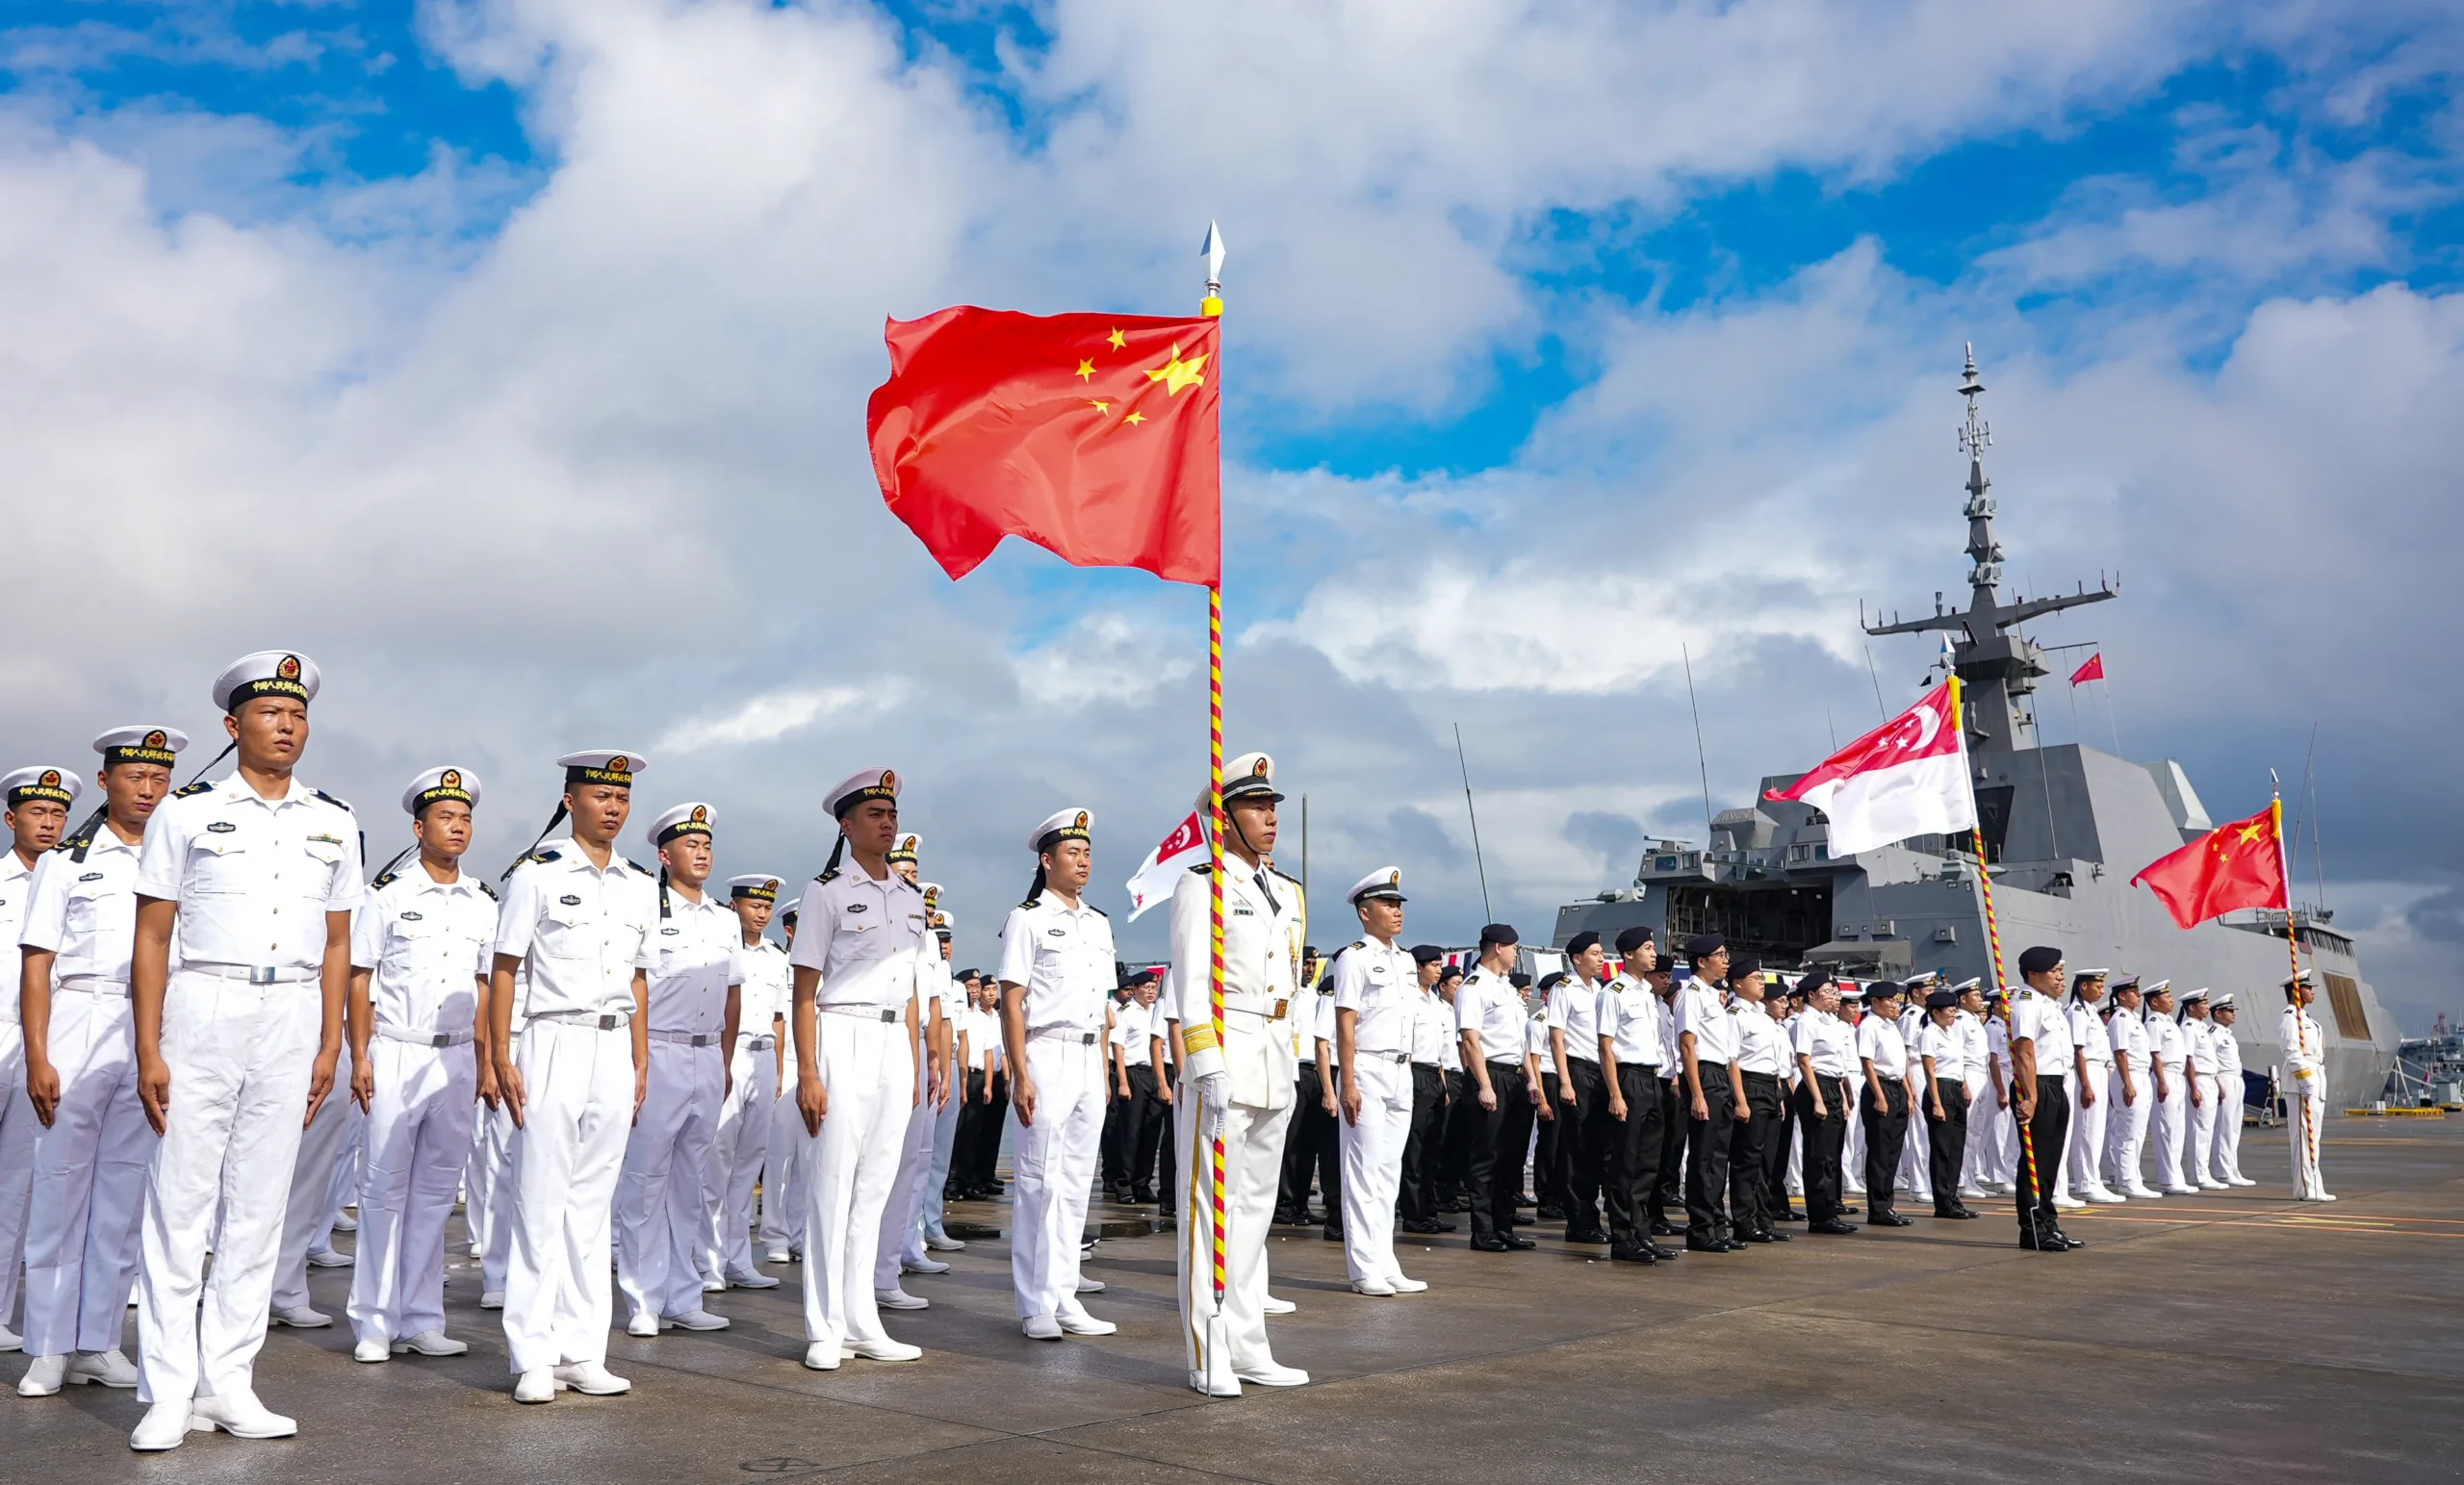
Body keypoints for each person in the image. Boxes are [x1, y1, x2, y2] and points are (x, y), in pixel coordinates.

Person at [128, 653, 361, 1450]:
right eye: (269, 712)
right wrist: (148, 1044)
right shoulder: (187, 813)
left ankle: (229, 1382)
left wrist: (329, 1039)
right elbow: (152, 935)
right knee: (181, 1202)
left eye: (297, 714)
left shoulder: (333, 821)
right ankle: (168, 1390)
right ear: (234, 726)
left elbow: (339, 942)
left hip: (291, 1010)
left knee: (259, 1208)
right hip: (206, 1002)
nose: (286, 726)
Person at [15, 729, 179, 1396]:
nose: (148, 790)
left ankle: (99, 1342)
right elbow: (37, 964)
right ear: (107, 780)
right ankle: (48, 1345)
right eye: (135, 776)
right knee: (60, 1186)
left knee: (123, 1192)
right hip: (81, 1018)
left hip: (154, 1027)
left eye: (159, 778)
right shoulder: (66, 861)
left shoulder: (182, 858)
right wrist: (38, 1055)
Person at [491, 751, 655, 1403]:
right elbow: (505, 967)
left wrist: (641, 1059)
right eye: (601, 795)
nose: (613, 808)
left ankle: (583, 1350)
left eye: (622, 797)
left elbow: (638, 977)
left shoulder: (639, 884)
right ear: (570, 800)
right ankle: (533, 1354)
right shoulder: (537, 874)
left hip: (613, 1043)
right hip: (553, 1036)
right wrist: (501, 1055)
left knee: (591, 1207)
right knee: (540, 1200)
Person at [1168, 751, 1309, 1395]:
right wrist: (1204, 1063)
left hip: (1274, 1059)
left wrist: (1292, 1056)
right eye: (1256, 805)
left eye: (1272, 804)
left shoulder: (1286, 892)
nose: (1270, 816)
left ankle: (1249, 1345)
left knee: (1254, 1213)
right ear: (1224, 819)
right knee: (1210, 1215)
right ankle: (1208, 1351)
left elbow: (1291, 986)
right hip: (1226, 1057)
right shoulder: (1203, 885)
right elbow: (1192, 987)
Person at [343, 766, 495, 1364]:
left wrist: (485, 1059)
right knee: (383, 1189)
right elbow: (360, 978)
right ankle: (374, 1321)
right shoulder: (388, 897)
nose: (457, 827)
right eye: (445, 817)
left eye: (465, 819)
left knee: (435, 1193)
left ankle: (422, 1318)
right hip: (398, 1049)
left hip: (456, 1057)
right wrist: (360, 1054)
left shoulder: (482, 903)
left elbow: (484, 986)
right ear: (418, 827)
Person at [787, 768, 932, 1370]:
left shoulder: (910, 896)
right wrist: (808, 1073)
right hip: (841, 1032)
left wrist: (915, 1065)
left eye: (892, 813)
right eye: (875, 814)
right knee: (832, 1185)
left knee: (874, 1188)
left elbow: (913, 990)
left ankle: (861, 1319)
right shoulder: (825, 892)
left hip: (893, 1040)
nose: (887, 822)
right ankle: (825, 1328)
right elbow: (804, 991)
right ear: (846, 826)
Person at [614, 803, 741, 1338]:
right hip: (660, 1052)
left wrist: (725, 1062)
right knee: (645, 1181)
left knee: (691, 1181)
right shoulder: (647, 908)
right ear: (665, 856)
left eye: (707, 844)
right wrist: (637, 1060)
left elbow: (733, 995)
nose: (703, 853)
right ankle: (643, 1298)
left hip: (707, 1054)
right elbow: (635, 988)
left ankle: (683, 1295)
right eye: (691, 845)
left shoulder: (725, 919)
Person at [996, 807, 1119, 1342]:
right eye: (1072, 852)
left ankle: (1066, 1295)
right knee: (1038, 1183)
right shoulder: (1026, 919)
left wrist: (1105, 1068)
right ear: (1047, 861)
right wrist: (1020, 1073)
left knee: (1075, 1185)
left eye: (1087, 852)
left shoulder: (1098, 923)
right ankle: (1034, 1303)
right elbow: (1011, 1002)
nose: (1083, 861)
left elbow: (1104, 1006)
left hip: (1089, 1056)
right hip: (1046, 1052)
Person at [1, 763, 80, 1356]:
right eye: (37, 812)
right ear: (12, 819)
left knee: (17, 1186)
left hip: (41, 1043)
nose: (49, 823)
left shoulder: (77, 880)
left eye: (58, 813)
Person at [1328, 868, 1426, 1296]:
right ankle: (1363, 1268)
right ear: (1365, 913)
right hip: (1366, 1067)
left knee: (1389, 1172)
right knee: (1363, 1172)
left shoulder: (1405, 960)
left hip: (1401, 1070)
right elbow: (1345, 1024)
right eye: (1388, 905)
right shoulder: (1353, 957)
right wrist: (1348, 1082)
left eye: (1399, 904)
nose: (1397, 911)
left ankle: (1386, 1262)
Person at [714, 876, 788, 1290]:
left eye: (767, 907)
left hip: (763, 1057)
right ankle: (708, 1261)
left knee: (748, 1162)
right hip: (731, 1052)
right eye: (754, 906)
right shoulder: (721, 948)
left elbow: (778, 1018)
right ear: (735, 906)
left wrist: (777, 1070)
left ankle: (738, 1259)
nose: (761, 914)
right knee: (718, 1159)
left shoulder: (777, 957)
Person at [1596, 927, 1677, 1263]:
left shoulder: (1647, 993)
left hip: (1652, 1079)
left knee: (1647, 1164)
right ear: (1629, 954)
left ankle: (1642, 1233)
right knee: (1624, 1163)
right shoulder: (1613, 992)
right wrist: (1615, 1093)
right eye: (1647, 947)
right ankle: (1622, 1237)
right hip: (1627, 1078)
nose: (1653, 953)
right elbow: (1605, 1046)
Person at [1456, 926, 1535, 1252]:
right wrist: (1485, 1085)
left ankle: (1504, 1226)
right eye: (1514, 948)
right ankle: (1483, 1230)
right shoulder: (1474, 987)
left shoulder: (1507, 989)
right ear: (1498, 947)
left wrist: (1532, 1079)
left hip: (1515, 1077)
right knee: (1486, 1157)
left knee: (1510, 1158)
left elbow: (1521, 1043)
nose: (1516, 954)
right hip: (1490, 1075)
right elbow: (1470, 1040)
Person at [2008, 945, 2083, 1250]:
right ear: (2034, 974)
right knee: (2035, 1162)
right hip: (2037, 1086)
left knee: (2050, 1162)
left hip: (2055, 1084)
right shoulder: (2026, 1003)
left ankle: (2048, 1223)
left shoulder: (2049, 1004)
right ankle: (2032, 1230)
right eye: (2053, 972)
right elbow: (2025, 1052)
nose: (2059, 977)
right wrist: (2031, 1097)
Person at [1676, 935, 1743, 1252]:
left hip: (1719, 1074)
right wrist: (1698, 1094)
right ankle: (1700, 1229)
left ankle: (1716, 1225)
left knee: (1718, 1157)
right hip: (1703, 1074)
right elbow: (1687, 1046)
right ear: (1702, 961)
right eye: (1720, 955)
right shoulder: (1691, 996)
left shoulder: (1712, 996)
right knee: (1703, 1157)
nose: (1726, 960)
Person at [1545, 932, 1613, 1243]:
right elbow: (1556, 1039)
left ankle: (1591, 1218)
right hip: (1578, 1071)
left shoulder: (1600, 990)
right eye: (1595, 953)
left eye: (1601, 953)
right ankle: (1579, 1222)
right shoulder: (1564, 989)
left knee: (1598, 1150)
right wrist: (1565, 1081)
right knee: (1577, 1150)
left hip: (1601, 1073)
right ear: (1577, 958)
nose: (1601, 959)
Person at [1726, 958, 1789, 1243]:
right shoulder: (1735, 1014)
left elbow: (1773, 1060)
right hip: (1749, 1085)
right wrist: (1740, 1100)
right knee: (1747, 1159)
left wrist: (1778, 1094)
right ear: (1738, 983)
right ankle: (1744, 1221)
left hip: (1770, 1087)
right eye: (1756, 978)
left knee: (1766, 1161)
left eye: (1763, 978)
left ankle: (1764, 1219)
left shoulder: (1763, 1015)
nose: (1762, 983)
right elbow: (1732, 1060)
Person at [1790, 972, 1858, 1235]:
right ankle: (1819, 1217)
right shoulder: (1806, 1021)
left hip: (1832, 1085)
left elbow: (1837, 1064)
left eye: (1833, 992)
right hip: (1815, 1086)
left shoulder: (1829, 1022)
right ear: (1811, 995)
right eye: (1827, 992)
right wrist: (1818, 1099)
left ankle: (1831, 1211)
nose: (1833, 996)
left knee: (1831, 1155)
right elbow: (1804, 1061)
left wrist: (1843, 1094)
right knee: (1818, 1156)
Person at [1397, 945, 1452, 1236]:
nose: (1438, 970)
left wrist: (1443, 1084)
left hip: (1434, 1075)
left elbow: (1439, 1050)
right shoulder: (1409, 1000)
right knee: (1414, 1149)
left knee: (1433, 1148)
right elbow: (1406, 1045)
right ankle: (1413, 1214)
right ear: (1419, 967)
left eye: (1440, 965)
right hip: (1414, 1073)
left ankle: (1429, 1210)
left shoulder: (1436, 1004)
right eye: (1433, 965)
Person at [1855, 981, 1915, 1228]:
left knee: (1892, 1152)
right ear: (1875, 1001)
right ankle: (1878, 1209)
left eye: (1895, 1000)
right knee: (1880, 1152)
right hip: (1880, 1087)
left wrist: (1909, 1094)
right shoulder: (1868, 1026)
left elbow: (1900, 1065)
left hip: (1897, 1088)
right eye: (1889, 1000)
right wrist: (1879, 1096)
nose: (1894, 1004)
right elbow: (1868, 1064)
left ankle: (1887, 1206)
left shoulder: (1891, 1026)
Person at [1914, 987, 1978, 1219]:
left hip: (1956, 1087)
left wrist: (1965, 1086)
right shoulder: (1929, 1033)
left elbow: (1957, 1063)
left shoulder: (1951, 1032)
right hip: (1940, 1089)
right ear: (1936, 1012)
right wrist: (1936, 1103)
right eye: (1950, 1011)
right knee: (1942, 1149)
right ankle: (1942, 1202)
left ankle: (1952, 1197)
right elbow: (1930, 1071)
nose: (1953, 1014)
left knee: (1956, 1148)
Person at [2064, 971, 2123, 1204]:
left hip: (2098, 1069)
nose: (2101, 990)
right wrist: (2086, 1085)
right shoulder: (2077, 1012)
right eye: (2097, 986)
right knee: (2086, 1130)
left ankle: (2093, 1179)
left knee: (2097, 1131)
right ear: (2083, 986)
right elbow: (2078, 1051)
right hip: (2086, 1070)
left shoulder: (2090, 1012)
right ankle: (2086, 1183)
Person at [2102, 978, 2160, 1198]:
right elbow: (2120, 1053)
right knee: (2128, 1132)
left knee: (2138, 1132)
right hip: (2131, 1076)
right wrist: (2127, 1084)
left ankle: (2132, 1177)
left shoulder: (2134, 1019)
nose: (2138, 995)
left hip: (2142, 1075)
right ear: (2122, 996)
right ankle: (2127, 1180)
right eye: (2134, 992)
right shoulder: (2121, 1019)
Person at [2280, 970, 2331, 1201]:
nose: (2312, 991)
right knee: (2303, 1137)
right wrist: (2305, 1079)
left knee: (2313, 1137)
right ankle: (2305, 1188)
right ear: (2296, 991)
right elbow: (2291, 1051)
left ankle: (2315, 1185)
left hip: (2316, 1077)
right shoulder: (2290, 1018)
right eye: (2308, 987)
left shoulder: (2307, 1019)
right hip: (2302, 1081)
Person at [2144, 982, 2195, 1196]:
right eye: (2167, 997)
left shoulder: (2171, 1023)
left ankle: (2176, 1176)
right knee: (2166, 1129)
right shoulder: (2154, 1023)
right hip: (2165, 1075)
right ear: (2155, 1001)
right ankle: (2167, 1178)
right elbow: (2155, 1055)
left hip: (2178, 1076)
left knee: (2177, 1130)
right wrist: (2161, 1081)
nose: (2171, 1000)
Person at [2178, 989, 2228, 1191]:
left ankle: (2204, 1172)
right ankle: (2199, 1175)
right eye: (2204, 1004)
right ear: (2192, 1007)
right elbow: (2188, 1059)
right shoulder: (2189, 1028)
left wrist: (2217, 1083)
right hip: (2199, 1080)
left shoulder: (2202, 1027)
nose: (2208, 1007)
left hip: (2209, 1080)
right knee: (2199, 1130)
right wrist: (2193, 1088)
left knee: (2207, 1130)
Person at [2205, 995, 2256, 1186]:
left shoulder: (2228, 1035)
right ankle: (2222, 1171)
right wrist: (2217, 1081)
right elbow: (2209, 1060)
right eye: (2229, 1010)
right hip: (2224, 1079)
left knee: (2234, 1128)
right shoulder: (2213, 1033)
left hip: (2236, 1079)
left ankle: (2232, 1169)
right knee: (2223, 1127)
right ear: (2218, 1013)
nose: (2233, 1013)